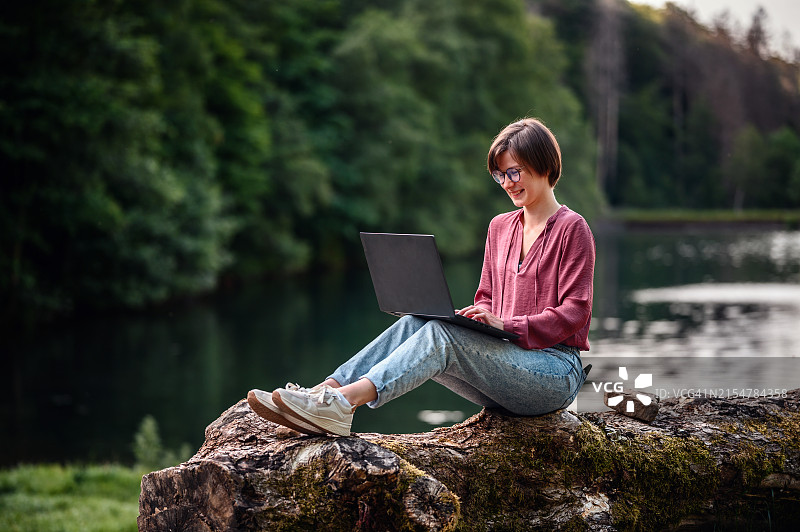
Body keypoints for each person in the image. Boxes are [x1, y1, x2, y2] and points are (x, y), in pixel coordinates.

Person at [247, 117, 595, 437]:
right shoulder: (499, 227)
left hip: (554, 372)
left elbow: (576, 312)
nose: (506, 183)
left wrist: (506, 325)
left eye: (514, 172)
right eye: (499, 175)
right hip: (503, 366)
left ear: (543, 164)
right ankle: (322, 394)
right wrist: (475, 319)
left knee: (441, 336)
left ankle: (343, 405)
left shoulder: (572, 228)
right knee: (418, 321)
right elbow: (487, 298)